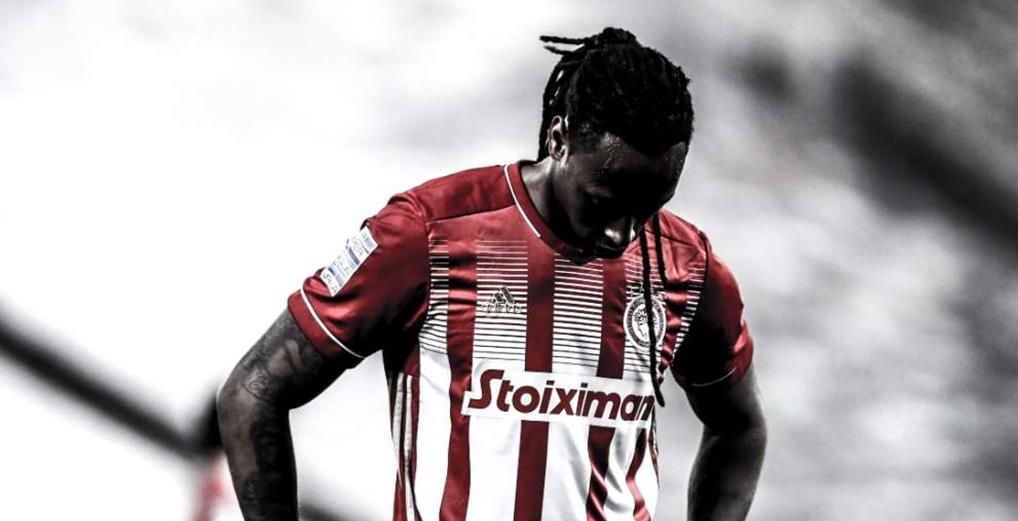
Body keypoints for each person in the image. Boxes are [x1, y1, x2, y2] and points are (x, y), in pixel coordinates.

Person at [217, 26, 766, 521]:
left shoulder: (688, 267)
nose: (622, 234)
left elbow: (738, 426)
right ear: (558, 139)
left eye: (648, 208)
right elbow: (254, 392)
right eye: (604, 203)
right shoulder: (429, 233)